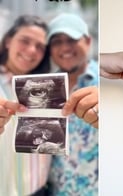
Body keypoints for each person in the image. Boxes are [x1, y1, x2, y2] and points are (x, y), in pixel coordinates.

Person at [45, 13, 99, 195]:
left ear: (88, 41)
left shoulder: (106, 82)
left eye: (72, 39)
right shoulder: (42, 89)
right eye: (57, 41)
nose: (65, 47)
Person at [0, 15, 51, 196]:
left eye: (40, 47)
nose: (31, 51)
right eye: (25, 41)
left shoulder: (47, 88)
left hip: (39, 190)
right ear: (8, 41)